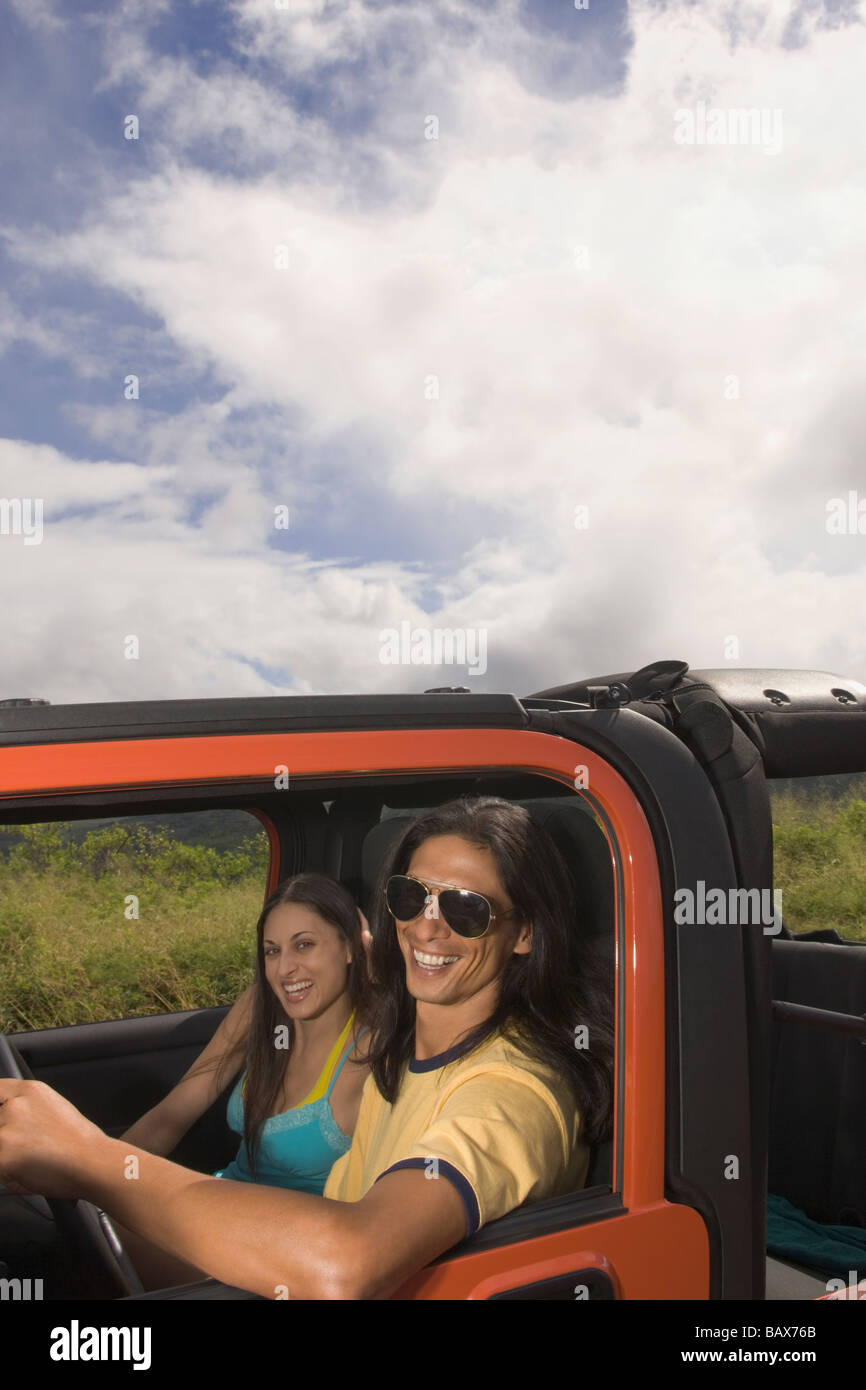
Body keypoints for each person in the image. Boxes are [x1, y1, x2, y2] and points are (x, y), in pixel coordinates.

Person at [0, 796, 614, 1300]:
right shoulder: (406, 1047)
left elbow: (347, 1262)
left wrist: (88, 1159)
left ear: (526, 933)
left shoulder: (512, 1093)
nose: (428, 926)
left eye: (466, 909)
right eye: (410, 897)